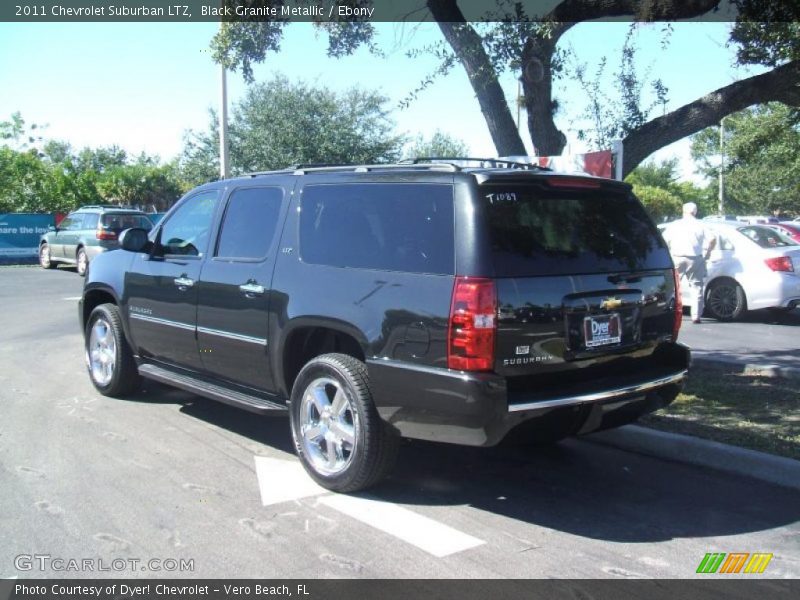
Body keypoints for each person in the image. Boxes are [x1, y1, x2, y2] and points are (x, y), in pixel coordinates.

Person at [662, 202, 717, 323]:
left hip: (677, 257)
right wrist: (708, 252)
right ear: (695, 212)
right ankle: (696, 316)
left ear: (683, 211)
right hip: (695, 258)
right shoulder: (701, 224)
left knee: (672, 286)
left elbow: (664, 241)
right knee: (696, 287)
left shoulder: (675, 225)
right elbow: (712, 239)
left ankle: (668, 311)